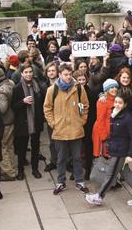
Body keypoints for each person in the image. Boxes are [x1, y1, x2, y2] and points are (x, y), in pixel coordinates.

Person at [85, 93, 132, 206]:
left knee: (110, 174)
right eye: (116, 102)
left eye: (120, 103)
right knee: (126, 172)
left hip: (121, 151)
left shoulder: (127, 118)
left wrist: (130, 155)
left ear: (125, 104)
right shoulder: (114, 114)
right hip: (116, 148)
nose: (117, 104)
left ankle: (99, 196)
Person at [44, 63, 89, 195]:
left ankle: (79, 181)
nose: (68, 77)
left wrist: (82, 120)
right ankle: (61, 182)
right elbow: (47, 108)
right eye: (65, 74)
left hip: (75, 129)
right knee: (61, 158)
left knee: (77, 157)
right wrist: (53, 123)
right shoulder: (52, 90)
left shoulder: (79, 89)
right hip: (60, 130)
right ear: (60, 75)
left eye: (69, 74)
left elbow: (85, 105)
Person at [11, 64, 45, 180]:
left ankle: (35, 169)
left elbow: (42, 103)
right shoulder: (17, 88)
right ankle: (20, 170)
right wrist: (23, 101)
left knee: (36, 147)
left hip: (36, 121)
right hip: (23, 123)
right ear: (21, 73)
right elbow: (13, 106)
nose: (28, 74)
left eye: (30, 72)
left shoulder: (38, 86)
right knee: (22, 148)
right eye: (26, 72)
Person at [0, 67, 17, 182]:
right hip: (11, 119)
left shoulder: (2, 91)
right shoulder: (11, 83)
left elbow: (2, 109)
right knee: (10, 146)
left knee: (3, 147)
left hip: (5, 122)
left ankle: (8, 172)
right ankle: (12, 168)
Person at [92, 79, 119, 159]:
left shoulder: (116, 99)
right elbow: (100, 120)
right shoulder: (102, 101)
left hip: (111, 131)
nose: (114, 89)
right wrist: (104, 137)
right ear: (106, 90)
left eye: (115, 87)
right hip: (102, 132)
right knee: (103, 159)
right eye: (111, 87)